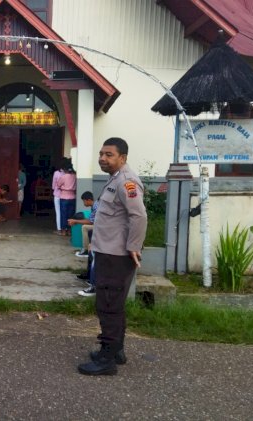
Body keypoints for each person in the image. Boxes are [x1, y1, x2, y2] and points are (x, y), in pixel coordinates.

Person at [77, 137, 147, 376]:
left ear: (122, 158)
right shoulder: (115, 180)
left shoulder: (126, 182)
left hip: (116, 255)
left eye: (109, 154)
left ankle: (107, 359)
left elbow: (139, 216)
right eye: (101, 154)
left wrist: (134, 247)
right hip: (109, 252)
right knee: (114, 304)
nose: (102, 158)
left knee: (108, 305)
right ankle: (116, 351)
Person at [57, 164, 77, 236]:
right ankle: (69, 230)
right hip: (72, 197)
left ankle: (63, 230)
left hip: (64, 197)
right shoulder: (75, 176)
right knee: (71, 214)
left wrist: (63, 186)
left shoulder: (64, 176)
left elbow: (58, 184)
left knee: (63, 214)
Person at [52, 160, 65, 234]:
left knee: (58, 212)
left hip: (57, 194)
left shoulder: (56, 173)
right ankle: (65, 228)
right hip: (65, 195)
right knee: (64, 212)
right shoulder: (68, 173)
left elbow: (53, 186)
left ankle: (59, 229)